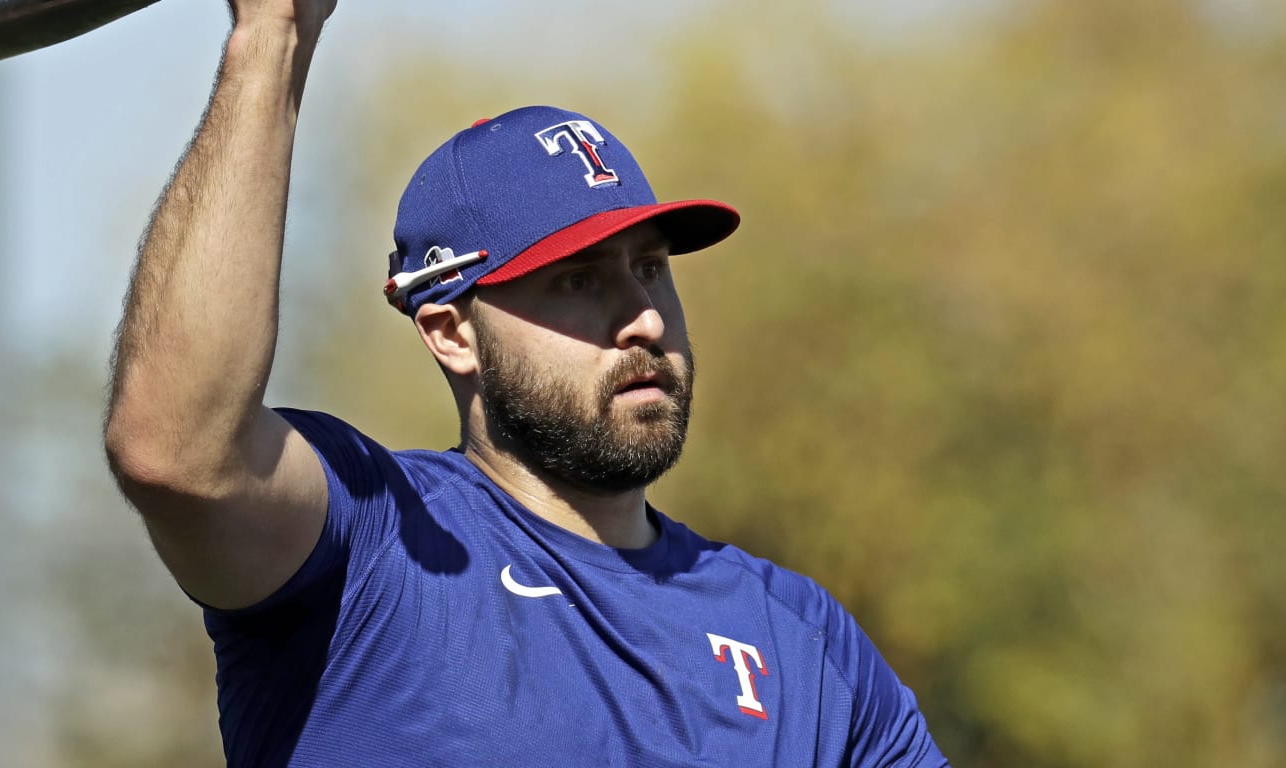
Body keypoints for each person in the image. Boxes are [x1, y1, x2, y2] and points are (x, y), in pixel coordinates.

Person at [103, 1, 950, 765]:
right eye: (577, 281)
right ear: (450, 332)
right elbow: (176, 450)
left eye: (651, 269)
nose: (644, 318)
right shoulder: (375, 553)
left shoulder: (801, 639)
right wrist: (272, 37)